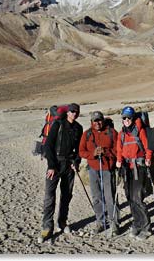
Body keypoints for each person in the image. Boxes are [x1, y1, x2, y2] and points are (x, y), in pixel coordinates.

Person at [38, 103, 83, 243]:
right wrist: (51, 166)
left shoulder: (78, 128)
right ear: (67, 112)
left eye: (76, 111)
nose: (74, 113)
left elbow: (79, 150)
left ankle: (62, 222)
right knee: (49, 197)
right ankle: (47, 227)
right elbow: (48, 145)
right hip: (55, 165)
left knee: (66, 195)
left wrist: (76, 162)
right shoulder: (58, 124)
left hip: (69, 166)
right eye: (72, 111)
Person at [79, 111, 119, 236]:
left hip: (107, 168)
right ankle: (100, 221)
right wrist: (93, 154)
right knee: (96, 197)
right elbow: (81, 151)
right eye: (95, 121)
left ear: (103, 120)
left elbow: (118, 150)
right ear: (91, 122)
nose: (97, 123)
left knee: (110, 196)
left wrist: (106, 152)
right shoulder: (87, 134)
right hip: (93, 168)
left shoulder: (112, 132)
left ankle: (114, 223)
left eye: (99, 120)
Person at [116, 106, 153, 241]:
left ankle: (146, 227)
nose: (126, 120)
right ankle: (137, 223)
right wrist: (119, 161)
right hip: (126, 168)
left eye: (128, 118)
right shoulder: (121, 134)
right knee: (129, 197)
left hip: (139, 167)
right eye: (124, 118)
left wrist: (148, 158)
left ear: (133, 118)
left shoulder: (140, 131)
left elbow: (148, 146)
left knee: (137, 197)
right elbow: (119, 150)